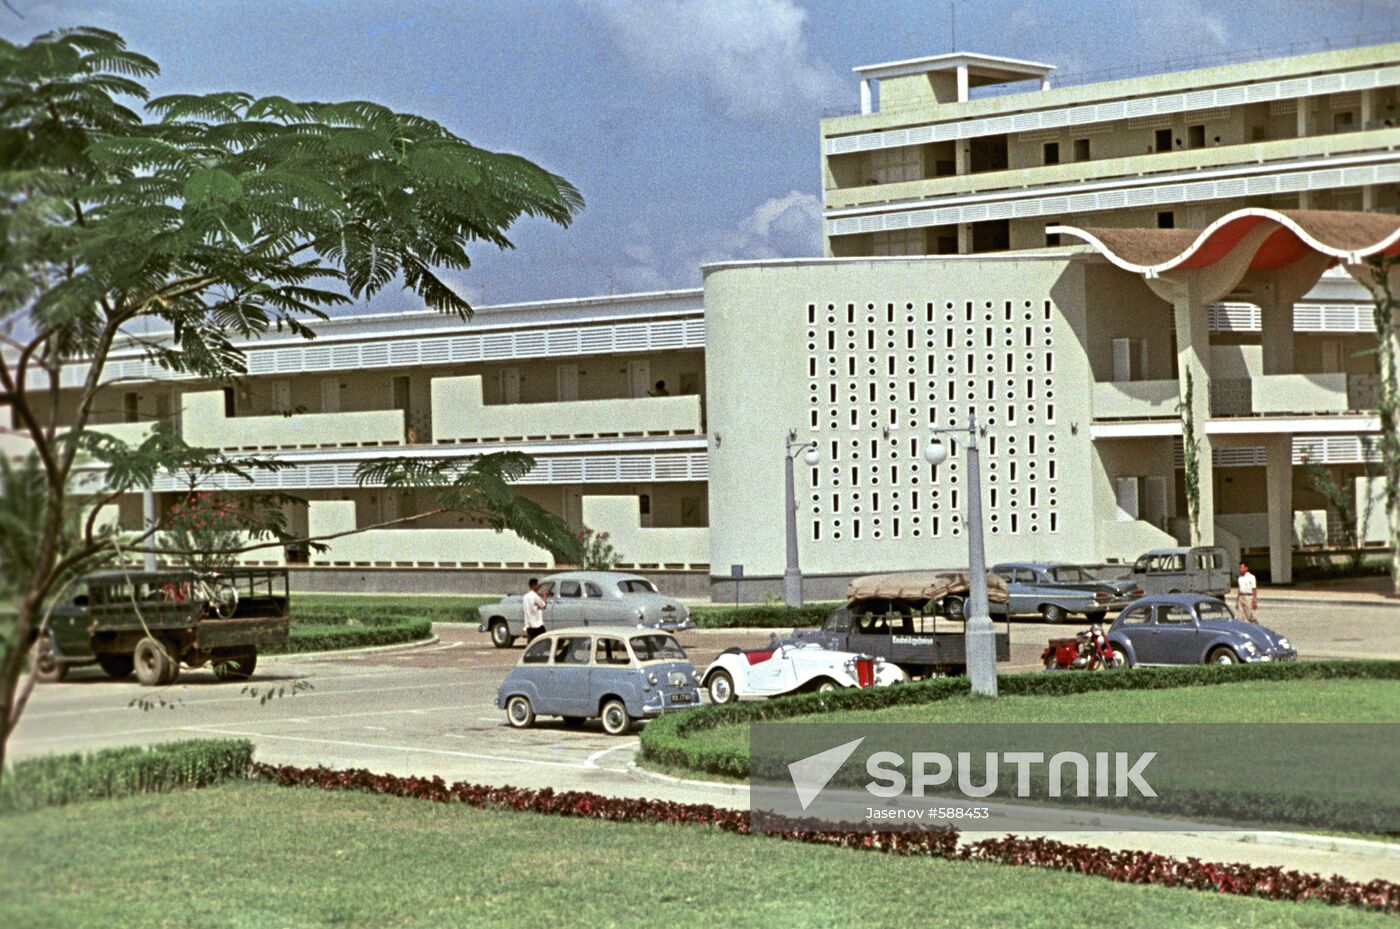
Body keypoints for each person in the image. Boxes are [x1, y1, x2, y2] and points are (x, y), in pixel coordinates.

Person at [522, 578, 548, 642]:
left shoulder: (525, 597)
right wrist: (545, 596)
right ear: (534, 586)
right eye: (537, 585)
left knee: (531, 641)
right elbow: (544, 605)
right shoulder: (535, 596)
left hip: (529, 623)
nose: (538, 587)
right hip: (537, 624)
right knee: (543, 640)